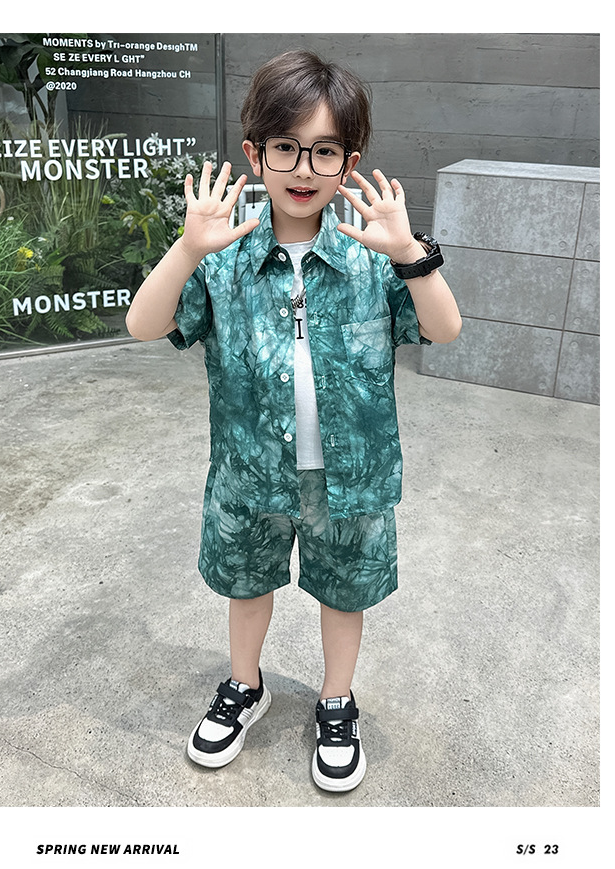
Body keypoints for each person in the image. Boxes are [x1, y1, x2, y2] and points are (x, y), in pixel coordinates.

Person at [126, 49, 461, 793]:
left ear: (349, 162)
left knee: (345, 594)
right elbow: (144, 325)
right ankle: (245, 684)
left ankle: (337, 700)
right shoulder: (225, 254)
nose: (303, 169)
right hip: (251, 472)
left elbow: (444, 329)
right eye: (285, 147)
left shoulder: (373, 254)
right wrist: (187, 248)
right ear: (255, 154)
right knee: (247, 585)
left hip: (352, 477)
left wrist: (411, 253)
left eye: (324, 151)